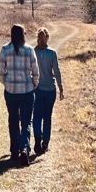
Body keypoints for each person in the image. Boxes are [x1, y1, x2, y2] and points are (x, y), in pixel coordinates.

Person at [0, 23, 39, 166]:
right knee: (26, 121)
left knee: (13, 120)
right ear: (23, 34)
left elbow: (1, 71)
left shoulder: (5, 49)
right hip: (27, 91)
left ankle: (14, 150)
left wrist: (6, 83)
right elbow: (35, 70)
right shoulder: (29, 50)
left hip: (11, 91)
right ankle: (25, 148)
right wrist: (34, 83)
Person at [32, 27, 64, 156]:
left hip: (37, 90)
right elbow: (56, 72)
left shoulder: (32, 52)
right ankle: (45, 143)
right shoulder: (52, 53)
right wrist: (61, 88)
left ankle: (37, 139)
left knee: (37, 117)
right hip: (50, 89)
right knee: (47, 117)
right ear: (47, 38)